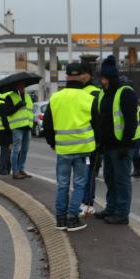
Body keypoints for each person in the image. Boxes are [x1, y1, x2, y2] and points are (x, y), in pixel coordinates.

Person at [43, 63, 98, 232]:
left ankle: (60, 220)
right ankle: (73, 218)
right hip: (84, 150)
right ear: (82, 77)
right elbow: (98, 124)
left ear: (66, 77)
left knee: (63, 184)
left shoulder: (56, 98)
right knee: (80, 184)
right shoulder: (89, 98)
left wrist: (53, 143)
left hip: (63, 150)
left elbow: (47, 125)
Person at [93, 55, 138, 225]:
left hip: (121, 147)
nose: (101, 81)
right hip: (108, 145)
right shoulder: (104, 94)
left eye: (103, 78)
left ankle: (122, 213)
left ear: (110, 77)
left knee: (121, 181)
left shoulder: (125, 93)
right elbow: (102, 119)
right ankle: (110, 208)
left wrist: (125, 146)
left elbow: (131, 121)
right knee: (110, 180)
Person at [0, 83, 34, 179]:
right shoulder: (10, 97)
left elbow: (30, 111)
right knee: (16, 149)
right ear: (15, 87)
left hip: (28, 126)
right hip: (17, 127)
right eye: (20, 86)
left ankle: (21, 169)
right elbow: (7, 112)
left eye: (23, 86)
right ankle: (15, 171)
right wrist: (17, 106)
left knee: (25, 150)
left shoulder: (28, 96)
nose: (22, 87)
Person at [79, 66, 103, 212]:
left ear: (88, 75)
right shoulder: (83, 91)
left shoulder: (94, 92)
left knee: (88, 172)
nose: (79, 77)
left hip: (91, 139)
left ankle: (87, 203)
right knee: (83, 173)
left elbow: (98, 118)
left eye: (81, 73)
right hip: (83, 139)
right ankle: (85, 202)